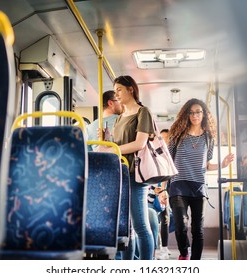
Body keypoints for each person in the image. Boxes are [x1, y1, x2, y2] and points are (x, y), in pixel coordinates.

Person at [167, 98, 234, 260]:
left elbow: (207, 165)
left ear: (204, 114)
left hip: (199, 186)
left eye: (198, 112)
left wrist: (223, 165)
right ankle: (184, 253)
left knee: (198, 229)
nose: (195, 115)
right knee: (181, 225)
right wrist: (163, 187)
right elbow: (168, 161)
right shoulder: (178, 135)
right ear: (186, 114)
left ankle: (196, 263)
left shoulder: (208, 138)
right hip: (178, 184)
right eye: (191, 112)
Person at [98, 75, 155, 260]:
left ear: (131, 89)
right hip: (120, 174)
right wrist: (106, 142)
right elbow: (114, 145)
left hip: (135, 175)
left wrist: (114, 150)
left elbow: (140, 143)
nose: (117, 94)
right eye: (115, 91)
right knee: (127, 228)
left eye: (119, 89)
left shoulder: (142, 112)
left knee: (141, 226)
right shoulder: (119, 117)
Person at [155, 128, 172, 260]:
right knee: (158, 219)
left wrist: (163, 190)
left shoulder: (171, 155)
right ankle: (160, 248)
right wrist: (159, 189)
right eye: (163, 138)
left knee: (166, 219)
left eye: (167, 138)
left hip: (167, 189)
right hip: (155, 190)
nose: (165, 141)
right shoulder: (155, 153)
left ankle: (164, 247)